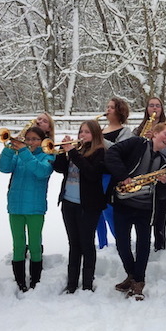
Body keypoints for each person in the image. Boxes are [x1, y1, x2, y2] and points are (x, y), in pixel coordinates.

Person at [105, 123, 166, 301]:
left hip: (145, 209)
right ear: (155, 133)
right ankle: (132, 275)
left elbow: (163, 196)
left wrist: (164, 183)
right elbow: (112, 154)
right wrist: (123, 176)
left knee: (143, 245)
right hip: (123, 204)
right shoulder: (136, 143)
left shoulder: (163, 162)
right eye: (165, 134)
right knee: (122, 243)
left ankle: (139, 282)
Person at [0, 126, 55, 292]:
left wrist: (24, 152)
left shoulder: (48, 156)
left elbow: (41, 172)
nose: (31, 142)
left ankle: (35, 280)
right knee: (18, 244)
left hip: (35, 208)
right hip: (15, 206)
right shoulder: (18, 155)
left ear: (42, 141)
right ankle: (20, 281)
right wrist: (8, 148)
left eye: (35, 139)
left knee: (35, 244)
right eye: (28, 139)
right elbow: (3, 168)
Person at [53, 120, 108, 294]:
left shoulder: (100, 152)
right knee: (74, 244)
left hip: (88, 206)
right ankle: (71, 283)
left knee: (87, 243)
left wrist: (73, 153)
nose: (82, 135)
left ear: (96, 135)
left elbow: (91, 173)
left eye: (87, 132)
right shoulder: (76, 151)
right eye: (81, 132)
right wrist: (63, 151)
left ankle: (87, 284)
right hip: (68, 203)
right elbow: (59, 168)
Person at [133, 97, 166, 251]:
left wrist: (157, 140)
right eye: (151, 105)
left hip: (160, 175)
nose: (154, 108)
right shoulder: (139, 129)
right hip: (142, 177)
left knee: (161, 214)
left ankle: (160, 246)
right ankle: (143, 246)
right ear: (147, 109)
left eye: (158, 105)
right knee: (143, 214)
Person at [96, 98, 133, 249]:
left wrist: (98, 139)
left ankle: (122, 244)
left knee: (108, 210)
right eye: (108, 106)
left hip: (110, 175)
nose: (108, 109)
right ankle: (102, 245)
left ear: (119, 111)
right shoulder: (102, 129)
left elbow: (119, 150)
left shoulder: (125, 131)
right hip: (95, 174)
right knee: (96, 211)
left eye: (112, 107)